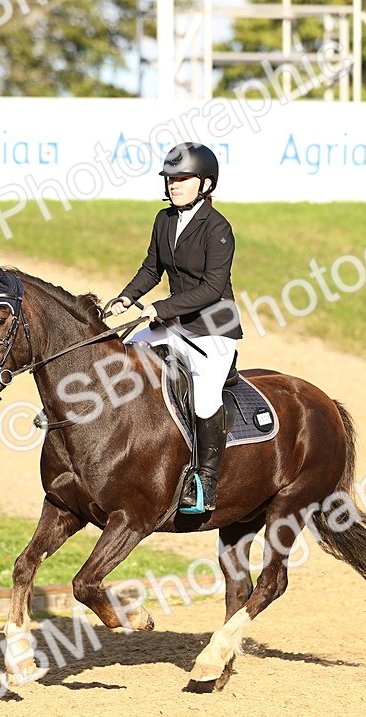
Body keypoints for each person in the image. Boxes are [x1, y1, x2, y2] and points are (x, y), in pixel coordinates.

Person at [106, 142, 243, 514]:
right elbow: (153, 267)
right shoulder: (163, 219)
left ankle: (205, 482)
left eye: (183, 178)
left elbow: (212, 288)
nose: (174, 184)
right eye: (170, 178)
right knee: (120, 355)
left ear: (206, 183)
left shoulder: (218, 228)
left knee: (204, 396)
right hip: (174, 322)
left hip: (214, 328)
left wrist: (158, 307)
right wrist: (127, 297)